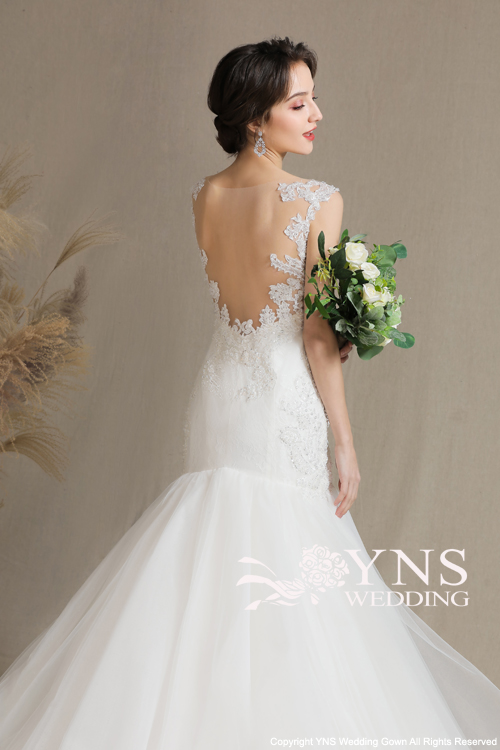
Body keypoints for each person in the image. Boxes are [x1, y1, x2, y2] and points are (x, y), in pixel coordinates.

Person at [0, 36, 499, 750]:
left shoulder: (204, 197)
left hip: (220, 391)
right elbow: (315, 337)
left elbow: (255, 302)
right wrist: (346, 441)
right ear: (256, 118)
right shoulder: (318, 200)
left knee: (212, 555)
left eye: (314, 99)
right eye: (299, 103)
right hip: (281, 397)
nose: (317, 114)